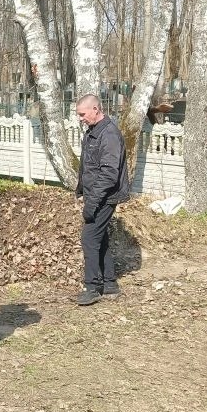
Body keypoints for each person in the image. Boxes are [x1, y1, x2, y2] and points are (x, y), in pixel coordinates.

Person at [75, 93, 130, 306]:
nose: (80, 118)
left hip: (105, 197)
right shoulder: (94, 131)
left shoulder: (109, 134)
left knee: (89, 238)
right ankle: (109, 284)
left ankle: (93, 287)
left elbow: (109, 174)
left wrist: (92, 202)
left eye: (82, 114)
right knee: (100, 238)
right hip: (96, 195)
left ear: (95, 109)